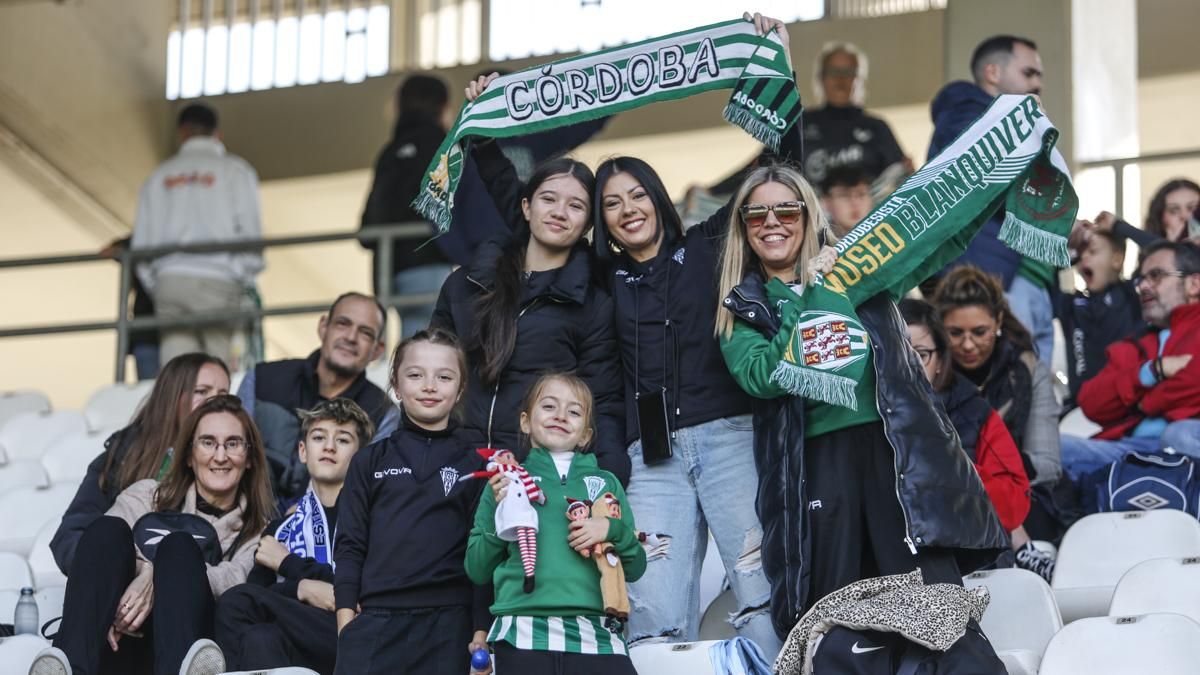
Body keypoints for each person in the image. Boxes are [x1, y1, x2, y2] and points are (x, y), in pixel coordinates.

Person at [462, 14, 796, 649]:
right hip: (654, 456)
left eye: (637, 194)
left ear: (658, 199)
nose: (627, 209)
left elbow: (776, 171)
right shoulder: (597, 276)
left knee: (758, 592)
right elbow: (524, 211)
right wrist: (484, 133)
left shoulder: (709, 245)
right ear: (603, 223)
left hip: (729, 439)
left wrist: (772, 64)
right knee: (650, 607)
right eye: (611, 204)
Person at [717, 164, 1006, 639]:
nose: (772, 222)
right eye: (757, 214)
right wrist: (814, 295)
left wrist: (996, 176)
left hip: (893, 453)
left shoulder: (857, 269)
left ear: (809, 217)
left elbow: (935, 240)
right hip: (818, 464)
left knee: (936, 612)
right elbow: (764, 376)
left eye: (787, 210)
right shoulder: (742, 307)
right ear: (743, 229)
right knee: (838, 621)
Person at [431, 148, 627, 484]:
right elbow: (432, 376)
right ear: (526, 207)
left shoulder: (594, 306)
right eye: (548, 199)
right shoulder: (464, 284)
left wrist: (608, 484)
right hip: (454, 470)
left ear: (588, 225)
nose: (559, 213)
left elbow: (602, 403)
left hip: (536, 483)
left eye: (576, 206)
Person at [53, 394, 275, 675]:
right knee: (106, 531)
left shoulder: (260, 529)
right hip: (120, 638)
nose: (221, 456)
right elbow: (99, 555)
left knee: (179, 548)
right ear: (189, 456)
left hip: (190, 644)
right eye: (208, 442)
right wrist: (145, 571)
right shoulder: (147, 495)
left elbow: (235, 583)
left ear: (250, 458)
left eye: (233, 444)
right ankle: (70, 667)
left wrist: (159, 577)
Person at [333, 328, 491, 675]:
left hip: (449, 625)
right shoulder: (368, 461)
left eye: (444, 376)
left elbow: (482, 556)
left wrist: (480, 631)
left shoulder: (477, 465)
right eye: (416, 375)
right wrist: (347, 625)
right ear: (395, 383)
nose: (430, 386)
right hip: (375, 622)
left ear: (461, 387)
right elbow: (349, 546)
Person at [466, 373, 646, 674]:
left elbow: (637, 567)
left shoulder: (606, 483)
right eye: (549, 406)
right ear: (525, 421)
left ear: (586, 434)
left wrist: (611, 530)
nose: (561, 416)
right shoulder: (505, 481)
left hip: (597, 632)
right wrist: (503, 515)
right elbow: (476, 568)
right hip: (522, 631)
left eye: (574, 411)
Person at [214, 398, 374, 674]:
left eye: (343, 440)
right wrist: (303, 590)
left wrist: (289, 564)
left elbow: (366, 591)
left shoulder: (373, 516)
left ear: (361, 456)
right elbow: (258, 593)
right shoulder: (281, 529)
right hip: (296, 644)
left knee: (236, 602)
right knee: (259, 637)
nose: (329, 446)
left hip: (354, 633)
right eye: (319, 437)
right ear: (302, 451)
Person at [927, 35, 1055, 370]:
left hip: (1026, 278)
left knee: (1036, 391)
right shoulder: (963, 112)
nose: (1038, 84)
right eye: (1029, 73)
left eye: (1039, 75)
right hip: (993, 280)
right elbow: (979, 171)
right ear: (993, 72)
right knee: (1005, 392)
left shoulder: (1016, 123)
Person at [900, 299, 1046, 578]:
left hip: (973, 563)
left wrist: (951, 464)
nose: (908, 365)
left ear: (941, 360)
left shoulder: (974, 412)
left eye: (920, 354)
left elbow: (1014, 504)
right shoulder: (861, 419)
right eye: (896, 352)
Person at [51, 353, 231, 574]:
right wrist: (132, 569)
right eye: (202, 391)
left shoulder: (235, 462)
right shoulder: (124, 454)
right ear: (172, 397)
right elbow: (71, 538)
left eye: (224, 394)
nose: (214, 402)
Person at [131, 102, 263, 368]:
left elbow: (141, 246)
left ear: (181, 133)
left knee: (178, 373)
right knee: (218, 370)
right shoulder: (235, 171)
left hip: (170, 281)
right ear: (217, 134)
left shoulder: (159, 176)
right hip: (219, 278)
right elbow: (252, 237)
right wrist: (239, 272)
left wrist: (157, 281)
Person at [237, 292, 398, 502]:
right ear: (323, 326)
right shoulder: (260, 379)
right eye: (342, 323)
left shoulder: (384, 413)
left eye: (365, 333)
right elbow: (233, 455)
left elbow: (368, 490)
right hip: (247, 519)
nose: (351, 337)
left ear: (378, 350)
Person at [1061, 241, 1200, 478]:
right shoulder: (1133, 344)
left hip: (1186, 443)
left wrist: (1147, 403)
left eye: (1156, 276)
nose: (1144, 286)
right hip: (1133, 450)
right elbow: (1092, 403)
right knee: (1052, 448)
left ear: (1194, 284)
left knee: (1178, 434)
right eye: (1141, 279)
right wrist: (1153, 370)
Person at [360, 74, 456, 338]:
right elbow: (461, 207)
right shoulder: (445, 146)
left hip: (391, 269)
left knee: (412, 346)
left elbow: (368, 227)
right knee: (432, 348)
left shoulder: (389, 151)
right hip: (432, 261)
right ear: (443, 105)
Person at [801, 42, 908, 189]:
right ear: (821, 78)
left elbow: (901, 180)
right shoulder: (799, 124)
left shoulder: (877, 128)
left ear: (860, 80)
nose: (841, 79)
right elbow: (765, 170)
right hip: (813, 210)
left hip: (868, 211)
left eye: (849, 72)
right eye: (833, 71)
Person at [1060, 228, 1144, 405]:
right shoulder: (1072, 304)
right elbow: (1048, 279)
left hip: (1125, 401)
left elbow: (1163, 253)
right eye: (1080, 253)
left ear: (1117, 259)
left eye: (1093, 251)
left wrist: (1118, 224)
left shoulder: (1132, 295)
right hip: (1081, 406)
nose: (1084, 257)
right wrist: (1069, 248)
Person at [819, 166, 875, 238]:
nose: (855, 203)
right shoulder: (817, 242)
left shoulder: (888, 234)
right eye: (844, 195)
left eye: (861, 194)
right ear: (826, 202)